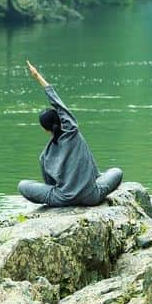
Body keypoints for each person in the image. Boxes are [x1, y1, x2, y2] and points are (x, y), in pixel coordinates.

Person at [18, 60, 123, 207]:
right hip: (91, 197)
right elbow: (58, 103)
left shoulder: (45, 155)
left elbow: (50, 185)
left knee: (23, 185)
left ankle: (65, 198)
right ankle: (92, 182)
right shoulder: (72, 131)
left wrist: (60, 194)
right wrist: (37, 76)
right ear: (60, 121)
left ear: (44, 129)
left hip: (63, 199)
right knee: (116, 171)